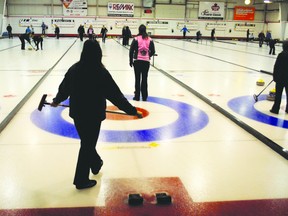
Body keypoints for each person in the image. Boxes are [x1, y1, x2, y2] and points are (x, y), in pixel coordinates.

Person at [51, 40, 142, 189]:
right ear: (98, 54)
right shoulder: (101, 72)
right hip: (94, 115)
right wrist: (132, 110)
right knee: (87, 144)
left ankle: (95, 163)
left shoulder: (74, 69)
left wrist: (57, 100)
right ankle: (81, 180)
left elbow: (64, 89)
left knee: (87, 143)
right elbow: (116, 95)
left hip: (78, 114)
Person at [129, 24, 155, 101]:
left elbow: (131, 51)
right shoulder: (150, 39)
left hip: (137, 61)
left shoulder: (136, 39)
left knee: (137, 79)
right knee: (144, 79)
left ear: (139, 30)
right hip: (146, 62)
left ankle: (137, 96)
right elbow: (153, 51)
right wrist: (148, 55)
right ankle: (144, 96)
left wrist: (130, 61)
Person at [270, 41, 288, 114]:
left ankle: (275, 109)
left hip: (280, 78)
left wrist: (275, 76)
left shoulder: (281, 55)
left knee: (278, 95)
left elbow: (276, 66)